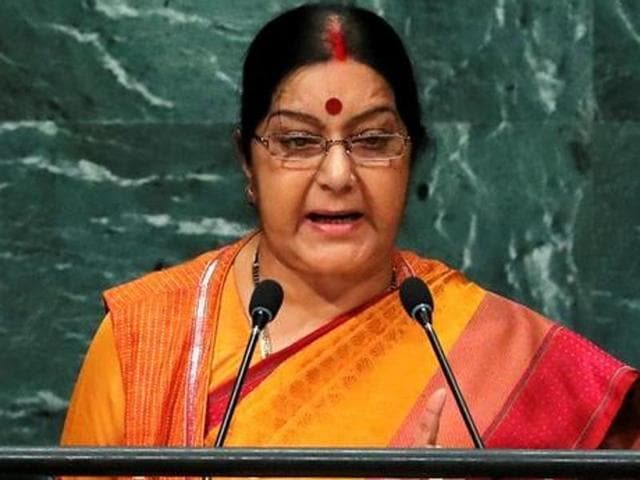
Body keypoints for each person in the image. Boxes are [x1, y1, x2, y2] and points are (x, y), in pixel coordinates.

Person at [61, 3, 640, 457]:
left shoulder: (493, 348)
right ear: (247, 163)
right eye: (296, 141)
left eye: (373, 141)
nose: (338, 175)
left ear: (412, 157)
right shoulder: (145, 341)